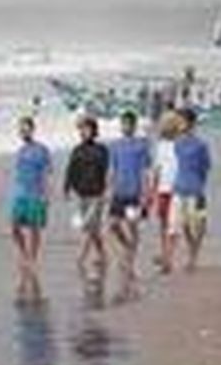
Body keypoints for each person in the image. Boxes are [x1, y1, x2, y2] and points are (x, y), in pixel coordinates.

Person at [107, 111, 152, 299]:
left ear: (134, 126)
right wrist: (108, 190)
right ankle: (127, 249)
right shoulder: (115, 146)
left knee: (133, 227)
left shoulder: (141, 145)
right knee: (113, 225)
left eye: (128, 124)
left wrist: (145, 194)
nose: (125, 127)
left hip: (134, 193)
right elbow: (112, 169)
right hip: (118, 193)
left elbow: (145, 171)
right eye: (123, 124)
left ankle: (130, 260)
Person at [65, 116, 110, 283]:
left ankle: (81, 257)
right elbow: (71, 170)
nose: (84, 132)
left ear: (94, 130)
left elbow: (106, 171)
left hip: (97, 193)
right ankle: (103, 254)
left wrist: (107, 191)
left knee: (87, 225)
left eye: (87, 129)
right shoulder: (77, 150)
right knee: (94, 228)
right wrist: (67, 188)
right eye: (82, 129)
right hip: (81, 193)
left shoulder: (102, 150)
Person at [11, 116, 51, 301]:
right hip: (20, 193)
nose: (23, 132)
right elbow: (18, 174)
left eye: (26, 128)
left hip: (36, 193)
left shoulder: (42, 150)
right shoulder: (20, 151)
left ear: (32, 130)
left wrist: (46, 195)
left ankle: (32, 258)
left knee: (34, 228)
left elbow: (47, 173)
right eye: (21, 129)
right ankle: (24, 253)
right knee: (14, 226)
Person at [173, 108, 212, 272]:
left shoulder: (201, 144)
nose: (179, 124)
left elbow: (206, 166)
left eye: (181, 121)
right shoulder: (177, 144)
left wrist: (199, 183)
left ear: (190, 123)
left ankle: (193, 255)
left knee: (199, 223)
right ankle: (192, 250)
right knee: (184, 224)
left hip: (195, 188)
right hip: (180, 187)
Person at [151, 111, 182, 274]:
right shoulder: (160, 146)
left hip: (176, 189)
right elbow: (157, 169)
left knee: (172, 226)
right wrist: (152, 191)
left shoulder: (181, 144)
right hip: (163, 189)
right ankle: (165, 253)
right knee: (163, 224)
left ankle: (168, 258)